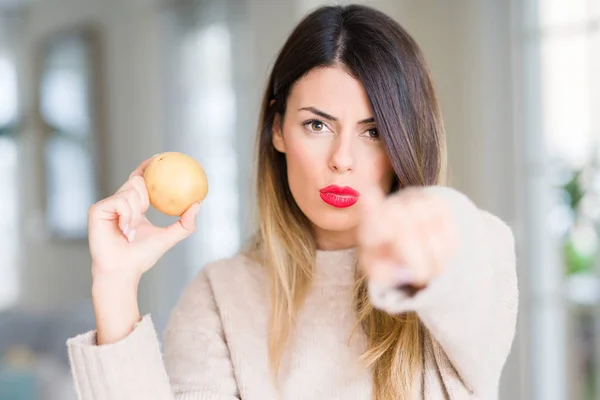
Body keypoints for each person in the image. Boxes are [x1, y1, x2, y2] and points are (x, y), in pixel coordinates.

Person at [66, 4, 518, 400]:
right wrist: (115, 287)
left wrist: (421, 230)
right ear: (278, 129)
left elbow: (464, 254)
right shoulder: (220, 297)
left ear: (407, 140)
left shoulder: (471, 259)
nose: (342, 160)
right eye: (317, 126)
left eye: (374, 131)